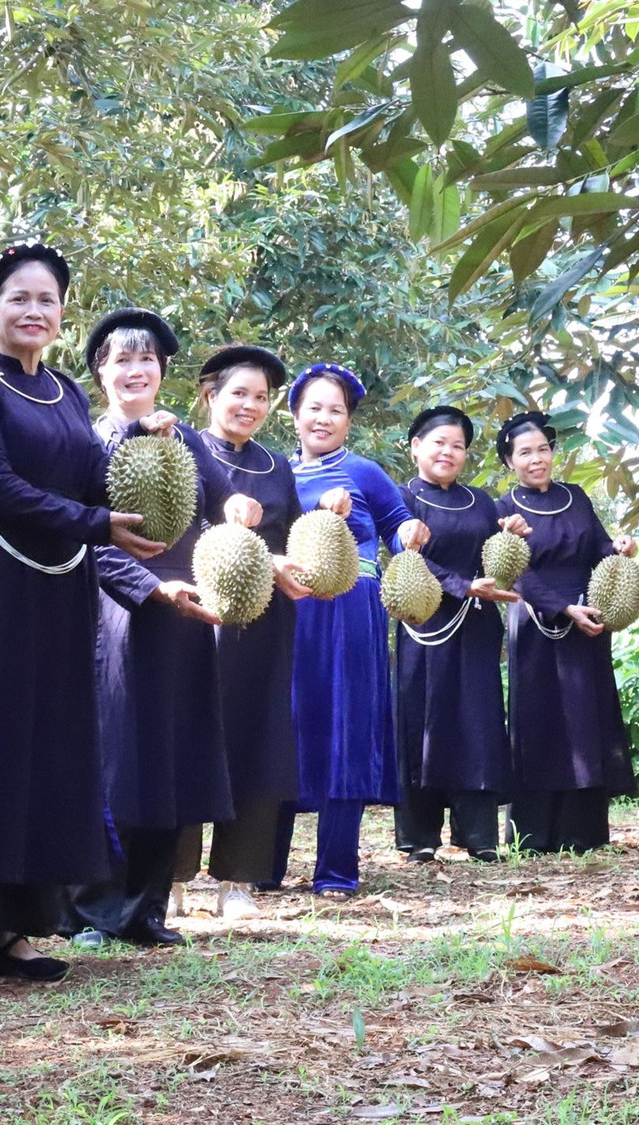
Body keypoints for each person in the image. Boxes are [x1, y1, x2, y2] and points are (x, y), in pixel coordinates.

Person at [0, 244, 166, 1002]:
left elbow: (95, 477)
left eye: (48, 300)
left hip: (61, 583)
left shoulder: (63, 392)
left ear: (62, 314)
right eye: (19, 298)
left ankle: (17, 929)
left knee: (49, 747)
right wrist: (95, 522)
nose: (35, 310)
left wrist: (145, 449)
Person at [72, 308, 229, 947]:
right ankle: (93, 911)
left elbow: (224, 501)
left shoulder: (186, 439)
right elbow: (80, 533)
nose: (136, 371)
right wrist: (148, 586)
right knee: (115, 760)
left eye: (147, 360)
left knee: (169, 758)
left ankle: (146, 911)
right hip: (115, 614)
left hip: (185, 614)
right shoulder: (87, 442)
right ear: (101, 372)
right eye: (122, 360)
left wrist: (243, 515)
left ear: (162, 371)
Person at [268, 364, 428, 896]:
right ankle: (264, 864)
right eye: (313, 407)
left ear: (348, 421)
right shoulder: (274, 471)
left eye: (335, 410)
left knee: (347, 724)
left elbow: (397, 525)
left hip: (353, 611)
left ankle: (336, 869)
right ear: (294, 414)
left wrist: (410, 532)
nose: (323, 418)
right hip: (289, 609)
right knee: (285, 724)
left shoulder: (364, 471)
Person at [172, 345, 312, 920]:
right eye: (238, 393)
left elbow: (295, 535)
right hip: (194, 613)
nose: (250, 405)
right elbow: (172, 525)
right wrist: (240, 541)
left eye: (261, 397)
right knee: (186, 737)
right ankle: (170, 877)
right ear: (210, 394)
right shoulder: (183, 447)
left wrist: (303, 553)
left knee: (257, 739)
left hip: (263, 624)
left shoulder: (277, 465)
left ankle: (237, 881)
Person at [493, 412, 637, 855]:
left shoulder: (576, 497)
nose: (536, 459)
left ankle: (583, 832)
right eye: (525, 453)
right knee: (539, 722)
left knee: (584, 721)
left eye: (543, 449)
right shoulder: (503, 508)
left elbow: (598, 547)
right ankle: (534, 835)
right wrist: (561, 607)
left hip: (586, 620)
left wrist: (620, 547)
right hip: (535, 622)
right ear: (509, 461)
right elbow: (513, 572)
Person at [393, 406, 525, 862]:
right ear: (416, 446)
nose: (448, 452)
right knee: (421, 722)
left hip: (476, 628)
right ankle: (420, 837)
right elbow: (402, 555)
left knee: (477, 724)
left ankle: (479, 835)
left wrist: (513, 535)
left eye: (458, 446)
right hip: (423, 626)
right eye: (439, 443)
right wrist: (460, 585)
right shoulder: (401, 498)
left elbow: (498, 556)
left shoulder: (482, 502)